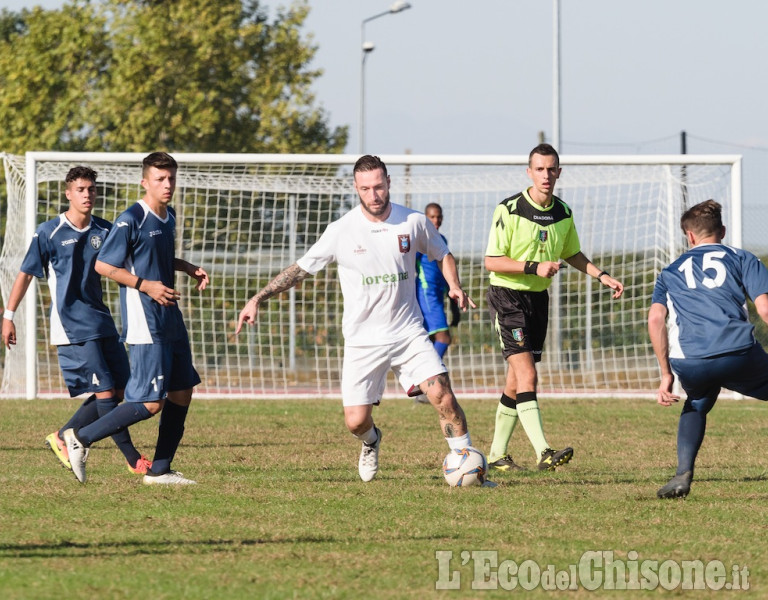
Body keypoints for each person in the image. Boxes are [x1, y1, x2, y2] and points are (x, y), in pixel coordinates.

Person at [236, 155, 486, 484]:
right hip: (362, 341)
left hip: (408, 333)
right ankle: (371, 441)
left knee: (442, 392)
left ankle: (468, 465)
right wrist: (258, 297)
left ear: (389, 183)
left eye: (379, 186)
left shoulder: (412, 222)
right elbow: (300, 270)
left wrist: (454, 285)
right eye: (366, 188)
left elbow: (442, 253)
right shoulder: (341, 230)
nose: (374, 194)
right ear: (356, 188)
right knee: (355, 422)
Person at [62, 152, 209, 485]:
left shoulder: (168, 216)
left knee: (182, 391)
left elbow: (154, 256)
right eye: (160, 179)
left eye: (171, 177)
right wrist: (146, 286)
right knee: (151, 402)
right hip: (147, 321)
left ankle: (160, 470)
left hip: (170, 316)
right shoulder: (131, 218)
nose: (167, 184)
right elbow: (104, 265)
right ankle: (80, 437)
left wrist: (185, 267)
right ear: (145, 182)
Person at [1, 166, 151, 475]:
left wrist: (184, 266)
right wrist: (8, 316)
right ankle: (133, 460)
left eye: (91, 189)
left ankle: (62, 436)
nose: (87, 194)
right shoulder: (49, 232)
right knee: (106, 393)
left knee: (123, 391)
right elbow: (26, 274)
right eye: (80, 189)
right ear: (68, 193)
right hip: (71, 324)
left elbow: (140, 257)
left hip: (102, 321)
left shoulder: (106, 230)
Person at [484, 143, 624, 472]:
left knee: (516, 382)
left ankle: (496, 455)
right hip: (508, 297)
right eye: (540, 169)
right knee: (528, 375)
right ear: (529, 172)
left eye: (552, 169)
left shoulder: (563, 212)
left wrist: (601, 275)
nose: (546, 175)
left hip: (538, 301)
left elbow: (572, 253)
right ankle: (544, 451)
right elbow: (492, 260)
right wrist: (534, 266)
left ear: (559, 172)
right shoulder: (509, 209)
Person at [649, 199, 768, 499]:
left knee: (697, 403)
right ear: (723, 231)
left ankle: (682, 475)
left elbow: (655, 319)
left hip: (690, 361)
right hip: (736, 352)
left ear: (689, 236)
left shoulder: (669, 272)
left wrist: (666, 374)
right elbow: (765, 309)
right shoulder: (742, 258)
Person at [415, 203, 461, 360]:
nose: (436, 220)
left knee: (432, 340)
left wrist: (454, 305)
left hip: (438, 295)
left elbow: (445, 272)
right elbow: (408, 265)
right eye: (432, 217)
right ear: (425, 218)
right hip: (426, 294)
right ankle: (427, 378)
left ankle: (426, 380)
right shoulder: (419, 240)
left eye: (439, 216)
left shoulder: (441, 240)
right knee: (444, 337)